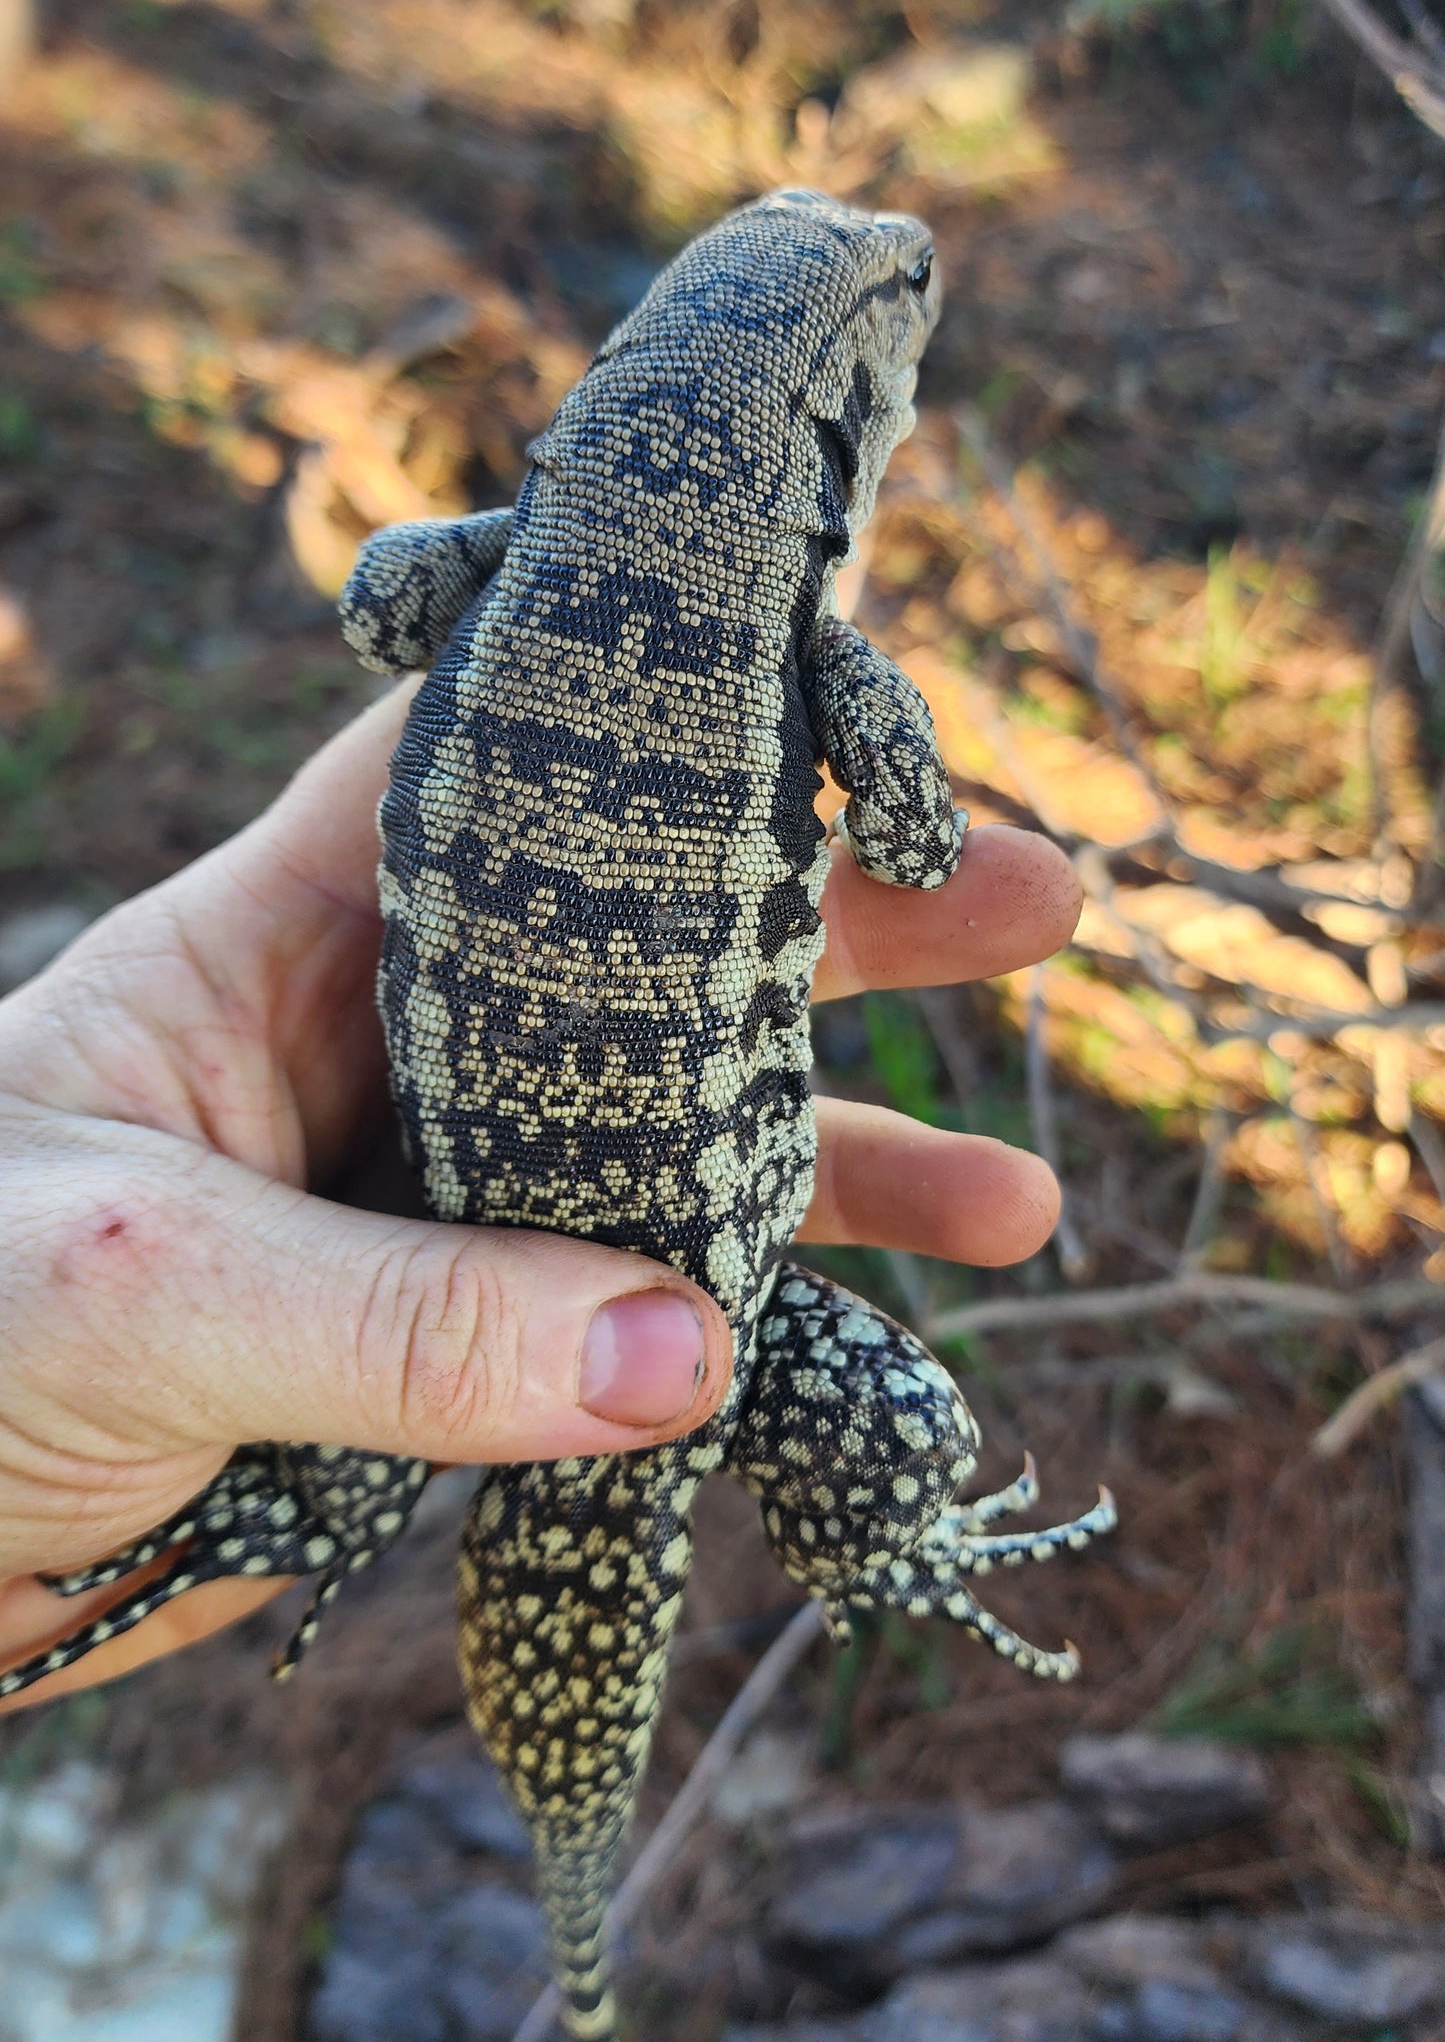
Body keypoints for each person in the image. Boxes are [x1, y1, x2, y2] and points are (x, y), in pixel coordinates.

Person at [0, 679, 1080, 1711]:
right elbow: (914, 841)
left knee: (900, 1424)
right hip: (603, 1224)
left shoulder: (546, 548)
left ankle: (292, 1508)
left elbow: (385, 598)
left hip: (527, 1193)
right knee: (905, 1420)